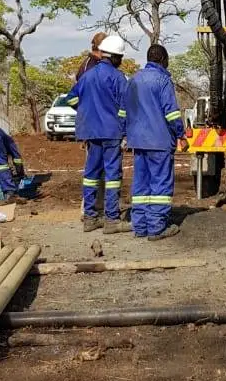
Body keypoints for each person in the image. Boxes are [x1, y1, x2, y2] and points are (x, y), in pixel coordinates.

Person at [65, 33, 131, 234]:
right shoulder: (118, 78)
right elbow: (125, 108)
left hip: (91, 132)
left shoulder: (87, 76)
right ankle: (112, 220)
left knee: (91, 175)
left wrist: (85, 111)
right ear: (115, 57)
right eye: (120, 57)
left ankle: (90, 218)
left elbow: (71, 99)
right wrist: (124, 131)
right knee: (112, 176)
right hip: (111, 132)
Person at [124, 43, 187, 240]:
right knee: (160, 185)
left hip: (138, 142)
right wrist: (181, 134)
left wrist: (126, 135)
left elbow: (124, 111)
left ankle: (140, 226)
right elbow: (171, 113)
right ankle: (156, 228)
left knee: (141, 185)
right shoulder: (163, 80)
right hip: (159, 141)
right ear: (162, 59)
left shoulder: (134, 79)